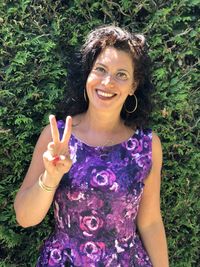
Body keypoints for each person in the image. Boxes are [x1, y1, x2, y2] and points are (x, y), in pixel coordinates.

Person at [14, 25, 169, 267]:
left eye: (121, 74)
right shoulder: (58, 136)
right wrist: (51, 177)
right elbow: (25, 218)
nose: (108, 82)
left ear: (133, 86)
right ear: (88, 74)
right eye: (101, 69)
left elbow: (149, 222)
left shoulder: (147, 146)